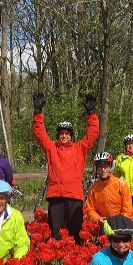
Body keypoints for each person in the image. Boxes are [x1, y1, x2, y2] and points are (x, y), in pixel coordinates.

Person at [32, 91, 99, 243]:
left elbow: (93, 134)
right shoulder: (51, 149)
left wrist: (91, 114)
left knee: (75, 234)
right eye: (61, 133)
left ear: (71, 136)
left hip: (74, 196)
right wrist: (38, 113)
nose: (64, 136)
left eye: (67, 133)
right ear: (58, 135)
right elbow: (39, 134)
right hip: (55, 197)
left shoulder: (79, 148)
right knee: (55, 234)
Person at [84, 152, 133, 225]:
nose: (103, 169)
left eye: (106, 166)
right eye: (100, 167)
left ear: (110, 167)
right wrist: (98, 219)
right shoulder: (93, 189)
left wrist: (122, 220)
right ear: (97, 169)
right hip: (104, 224)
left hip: (122, 223)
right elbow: (90, 209)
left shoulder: (121, 184)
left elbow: (127, 206)